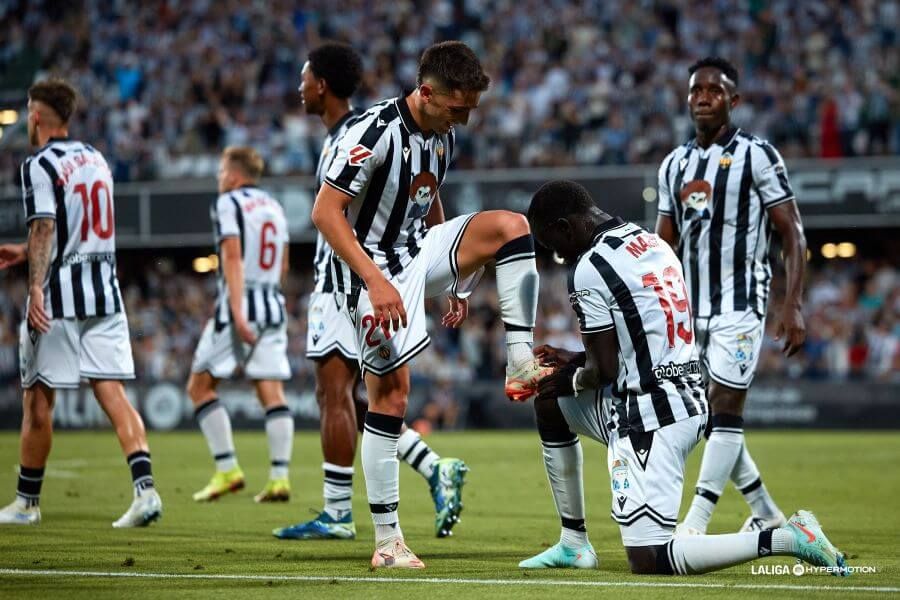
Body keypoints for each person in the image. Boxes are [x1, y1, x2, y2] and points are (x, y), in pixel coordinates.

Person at [519, 179, 846, 576]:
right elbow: (637, 339)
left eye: (551, 242)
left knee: (649, 557)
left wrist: (566, 378)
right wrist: (571, 361)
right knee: (551, 408)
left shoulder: (589, 267)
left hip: (649, 415)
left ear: (565, 227)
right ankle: (574, 544)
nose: (555, 254)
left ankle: (785, 537)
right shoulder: (649, 242)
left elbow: (602, 371)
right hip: (688, 398)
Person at [312, 40, 553, 568]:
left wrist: (453, 281)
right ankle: (387, 541)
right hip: (366, 269)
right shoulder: (370, 133)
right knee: (391, 395)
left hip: (415, 252)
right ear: (426, 93)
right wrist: (376, 282)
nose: (464, 121)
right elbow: (326, 214)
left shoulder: (440, 138)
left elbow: (429, 199)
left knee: (512, 229)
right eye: (458, 109)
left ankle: (519, 359)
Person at [273, 43, 468, 541]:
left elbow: (338, 210)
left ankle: (340, 512)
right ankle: (430, 467)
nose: (299, 88)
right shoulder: (381, 131)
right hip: (358, 280)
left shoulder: (363, 133)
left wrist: (434, 263)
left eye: (304, 78)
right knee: (368, 399)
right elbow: (424, 192)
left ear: (320, 85)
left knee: (340, 393)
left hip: (347, 283)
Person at [655, 57, 807, 535]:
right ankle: (766, 512)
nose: (703, 97)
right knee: (711, 415)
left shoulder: (758, 155)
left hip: (741, 304)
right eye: (695, 90)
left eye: (714, 91)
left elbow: (792, 232)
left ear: (733, 101)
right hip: (689, 311)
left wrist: (793, 302)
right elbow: (661, 247)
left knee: (724, 404)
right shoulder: (674, 164)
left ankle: (696, 521)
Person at [0, 78, 162, 527]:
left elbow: (47, 228)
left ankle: (26, 503)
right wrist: (23, 249)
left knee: (37, 400)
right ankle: (145, 491)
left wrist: (34, 286)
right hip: (105, 295)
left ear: (36, 116)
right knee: (112, 392)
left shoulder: (38, 162)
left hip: (58, 298)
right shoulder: (96, 157)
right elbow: (77, 227)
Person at [187, 147, 294, 504]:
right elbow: (282, 264)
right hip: (272, 303)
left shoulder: (228, 203)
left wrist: (236, 310)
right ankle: (279, 478)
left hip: (242, 304)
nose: (219, 179)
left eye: (220, 172)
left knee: (199, 387)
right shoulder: (275, 206)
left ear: (233, 176)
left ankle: (227, 468)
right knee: (271, 392)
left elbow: (231, 256)